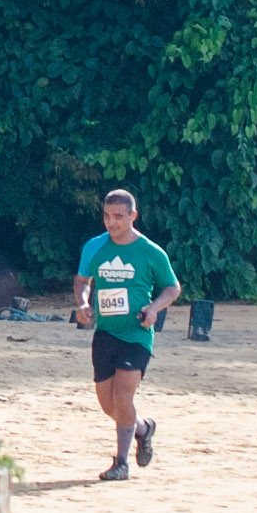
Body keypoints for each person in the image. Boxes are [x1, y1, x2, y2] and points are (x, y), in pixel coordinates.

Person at [73, 190, 180, 480]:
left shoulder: (150, 251)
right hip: (105, 333)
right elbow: (83, 280)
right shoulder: (94, 247)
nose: (112, 223)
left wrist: (154, 308)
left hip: (137, 333)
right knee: (110, 405)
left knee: (123, 395)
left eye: (119, 217)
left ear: (133, 216)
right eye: (107, 216)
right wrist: (83, 302)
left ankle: (121, 463)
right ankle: (143, 428)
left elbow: (172, 287)